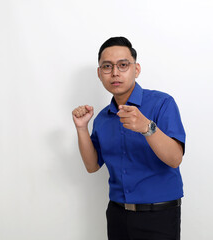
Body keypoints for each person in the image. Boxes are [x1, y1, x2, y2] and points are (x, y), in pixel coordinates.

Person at [72, 36, 186, 240]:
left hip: (159, 216)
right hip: (117, 216)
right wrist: (82, 128)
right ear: (100, 73)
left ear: (136, 69)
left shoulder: (162, 103)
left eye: (123, 65)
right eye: (107, 66)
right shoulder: (102, 118)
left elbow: (175, 158)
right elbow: (92, 166)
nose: (115, 72)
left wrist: (146, 127)